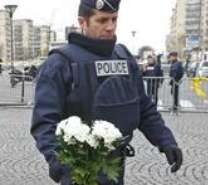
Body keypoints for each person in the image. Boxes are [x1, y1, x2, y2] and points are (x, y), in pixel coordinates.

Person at [30, 1, 183, 185]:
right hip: (79, 169)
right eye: (102, 20)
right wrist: (59, 162)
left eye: (114, 19)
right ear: (82, 22)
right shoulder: (59, 64)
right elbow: (44, 122)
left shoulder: (124, 57)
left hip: (115, 166)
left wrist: (165, 141)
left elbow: (142, 107)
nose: (110, 27)